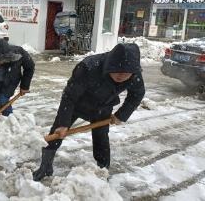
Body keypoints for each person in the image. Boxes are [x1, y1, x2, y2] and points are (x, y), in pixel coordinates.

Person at [33, 43, 145, 181]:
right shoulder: (88, 67)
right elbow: (69, 96)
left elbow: (137, 94)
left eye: (126, 73)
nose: (121, 75)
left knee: (101, 138)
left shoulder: (133, 73)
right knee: (56, 133)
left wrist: (121, 115)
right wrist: (63, 123)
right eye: (117, 70)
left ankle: (102, 169)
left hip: (103, 108)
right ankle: (45, 167)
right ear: (111, 64)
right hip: (77, 104)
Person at [0, 40, 35, 120]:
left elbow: (30, 67)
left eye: (1, 60)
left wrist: (24, 86)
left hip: (10, 80)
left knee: (2, 100)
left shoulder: (18, 53)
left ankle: (9, 121)